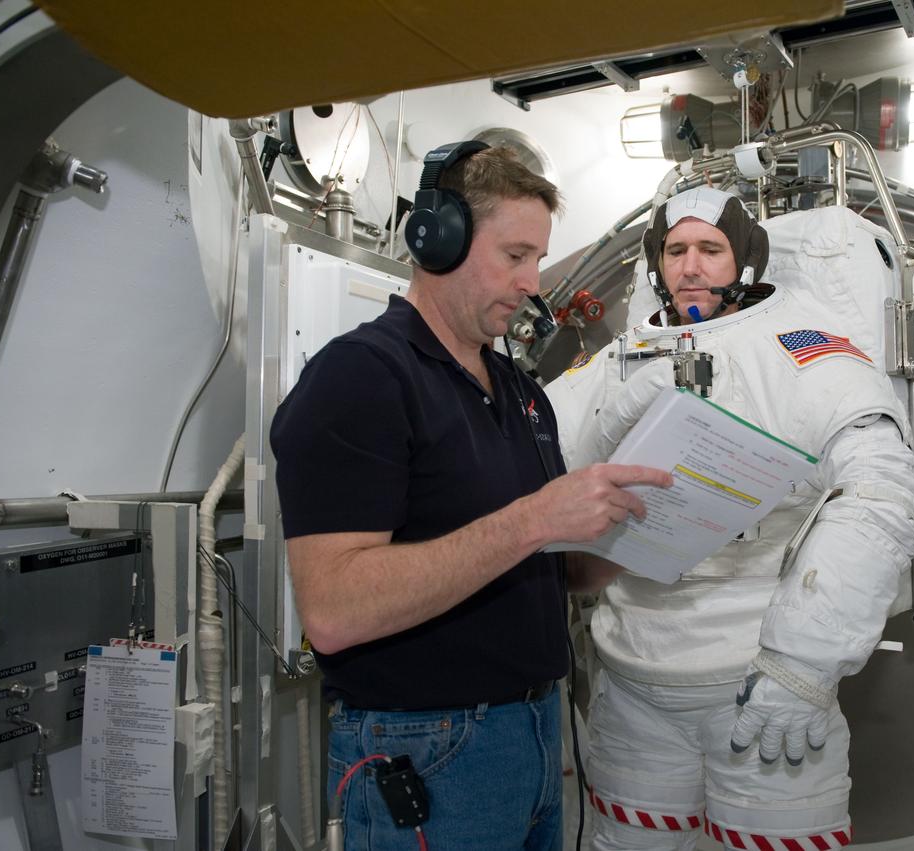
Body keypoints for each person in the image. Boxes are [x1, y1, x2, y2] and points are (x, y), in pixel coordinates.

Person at [270, 142, 671, 851]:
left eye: (538, 259)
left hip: (538, 735)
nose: (531, 282)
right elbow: (331, 609)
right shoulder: (362, 378)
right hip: (428, 747)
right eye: (514, 255)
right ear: (440, 239)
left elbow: (554, 569)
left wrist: (641, 535)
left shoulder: (520, 392)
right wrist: (533, 518)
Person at [546, 186, 914, 850]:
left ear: (746, 260)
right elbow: (528, 474)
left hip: (759, 684)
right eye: (676, 250)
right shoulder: (620, 361)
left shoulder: (799, 348)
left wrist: (801, 663)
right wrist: (607, 434)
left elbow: (880, 491)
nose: (690, 267)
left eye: (710, 250)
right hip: (633, 683)